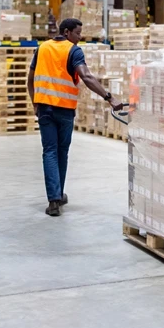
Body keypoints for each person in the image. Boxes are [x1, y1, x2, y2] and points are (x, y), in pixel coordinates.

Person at [28, 18, 123, 217]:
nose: (80, 38)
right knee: (60, 152)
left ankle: (56, 198)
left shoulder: (42, 48)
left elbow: (30, 78)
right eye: (78, 33)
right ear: (67, 32)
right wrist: (109, 97)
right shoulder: (73, 51)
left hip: (44, 108)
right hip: (63, 110)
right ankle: (56, 196)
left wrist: (34, 103)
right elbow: (86, 77)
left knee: (51, 152)